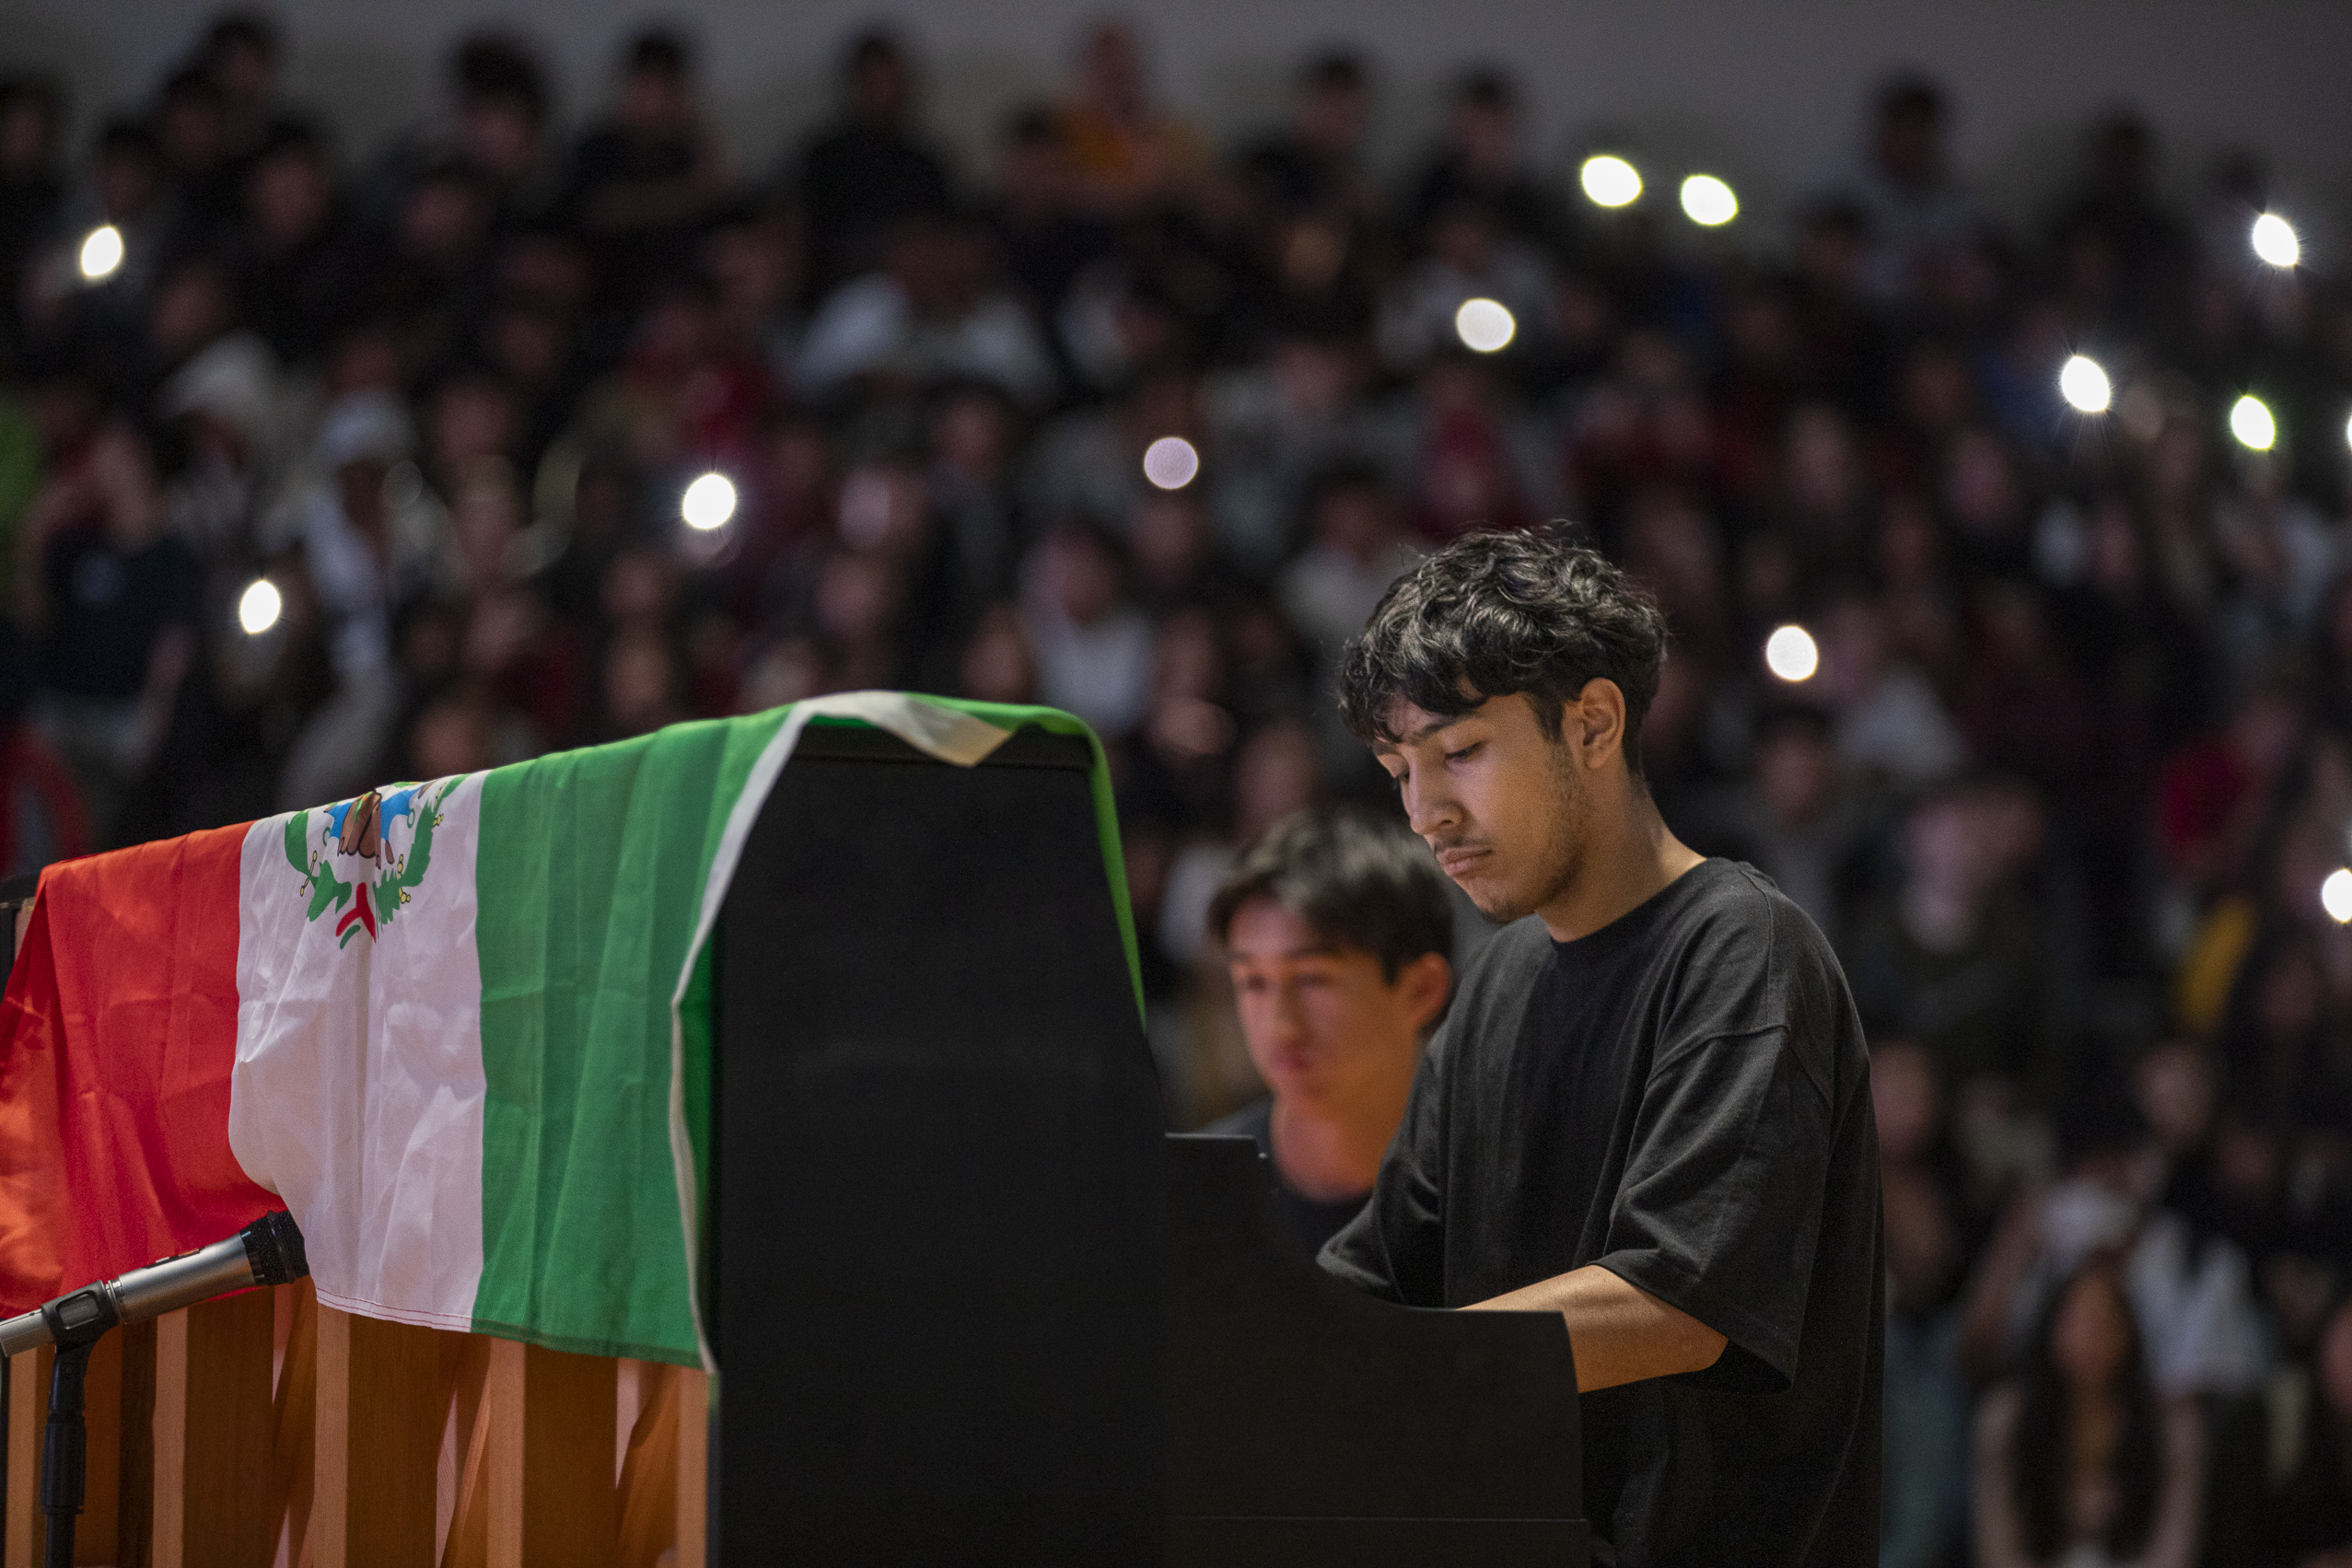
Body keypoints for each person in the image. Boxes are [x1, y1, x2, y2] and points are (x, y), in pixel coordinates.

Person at [1324, 528, 1882, 1565]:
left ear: (1592, 722)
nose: (1423, 812)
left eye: (1459, 752)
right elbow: (1380, 1271)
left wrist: (1393, 1368)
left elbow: (1676, 1299)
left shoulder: (1743, 949)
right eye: (1399, 769)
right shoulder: (1498, 980)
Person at [1204, 806, 1454, 1255]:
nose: (1281, 1026)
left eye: (1312, 979)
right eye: (1253, 982)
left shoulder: (1495, 1177)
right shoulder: (1197, 1189)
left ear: (1422, 990)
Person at [1972, 1254, 2203, 1568]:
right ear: (2051, 1325)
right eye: (2077, 1320)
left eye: (2104, 1321)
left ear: (2129, 1332)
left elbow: (2173, 1551)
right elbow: (1997, 1550)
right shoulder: (2007, 1418)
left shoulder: (2169, 1428)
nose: (2090, 1337)